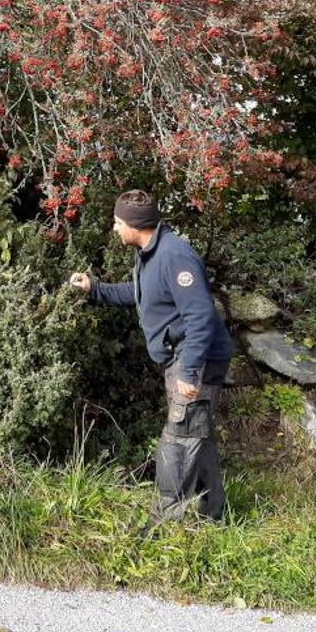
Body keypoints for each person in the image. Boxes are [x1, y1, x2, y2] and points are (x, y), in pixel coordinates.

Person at [69, 189, 233, 522]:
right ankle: (214, 515)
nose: (115, 229)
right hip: (181, 358)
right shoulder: (150, 252)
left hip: (196, 360)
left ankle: (163, 524)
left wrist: (189, 372)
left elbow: (200, 316)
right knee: (195, 435)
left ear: (135, 224)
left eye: (117, 223)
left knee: (179, 440)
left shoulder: (175, 256)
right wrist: (95, 289)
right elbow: (141, 293)